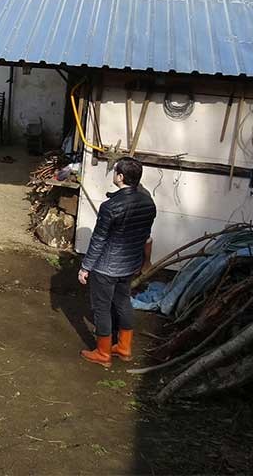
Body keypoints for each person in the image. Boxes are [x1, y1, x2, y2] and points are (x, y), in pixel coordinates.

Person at [78, 157, 156, 367]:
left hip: (107, 267)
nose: (114, 175)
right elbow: (145, 235)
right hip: (130, 265)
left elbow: (98, 240)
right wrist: (144, 261)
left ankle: (103, 353)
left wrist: (86, 267)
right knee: (123, 302)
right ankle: (124, 347)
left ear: (120, 177)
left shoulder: (110, 207)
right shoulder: (148, 203)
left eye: (115, 172)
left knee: (101, 308)